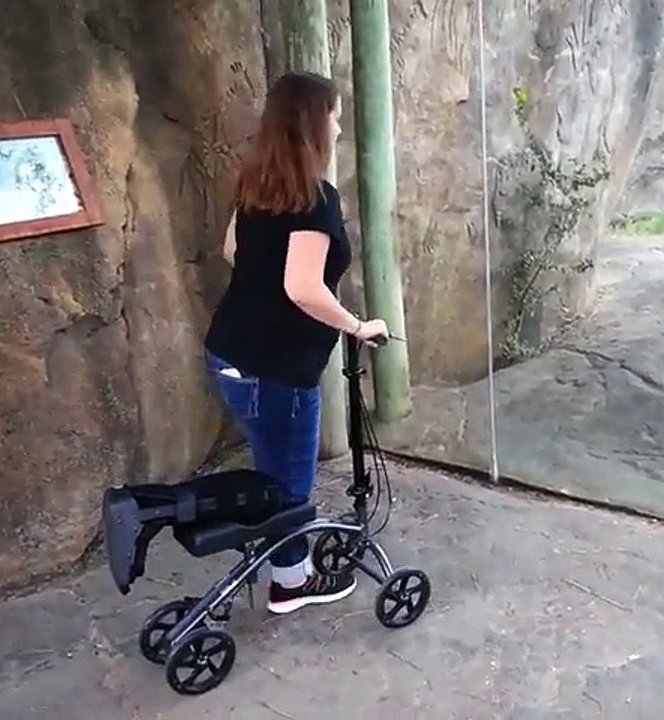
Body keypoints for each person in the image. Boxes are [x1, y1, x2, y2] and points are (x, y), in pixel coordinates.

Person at [203, 71, 389, 615]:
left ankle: (276, 557)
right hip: (275, 370)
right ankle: (289, 582)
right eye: (334, 117)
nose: (339, 128)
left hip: (230, 352)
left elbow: (232, 252)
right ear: (313, 124)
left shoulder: (256, 184)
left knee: (271, 467)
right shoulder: (313, 198)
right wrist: (356, 326)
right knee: (288, 482)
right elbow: (302, 288)